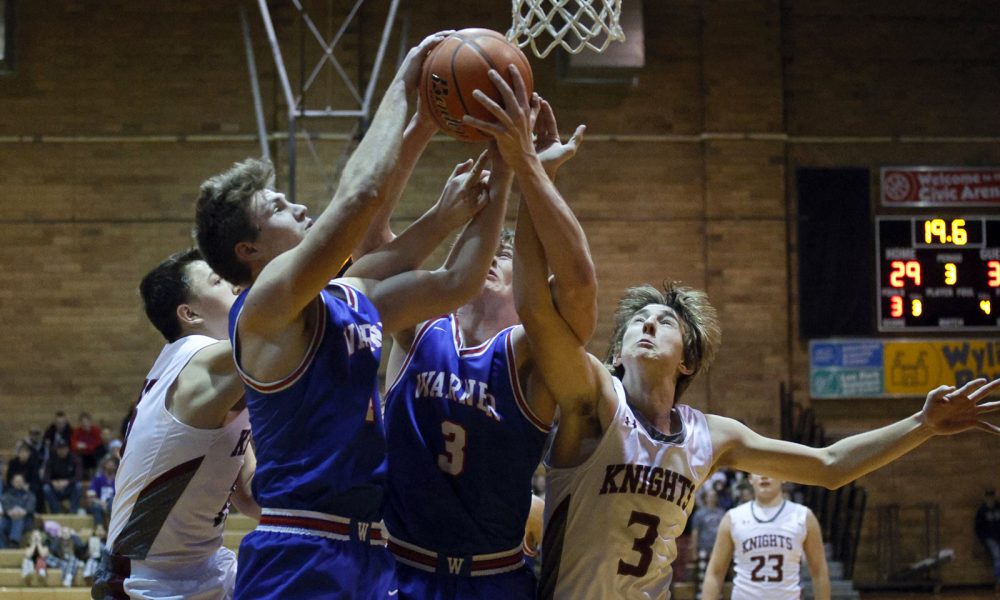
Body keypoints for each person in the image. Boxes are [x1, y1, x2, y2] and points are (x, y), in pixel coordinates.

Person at [193, 30, 521, 598]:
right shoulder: (265, 306)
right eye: (275, 206)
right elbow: (361, 195)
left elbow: (455, 280)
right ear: (248, 252)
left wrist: (504, 160)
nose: (297, 205)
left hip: (369, 550)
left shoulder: (344, 299)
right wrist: (405, 82)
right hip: (300, 550)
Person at [514, 263, 999, 595]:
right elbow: (538, 315)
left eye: (664, 322)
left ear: (687, 359)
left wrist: (923, 424)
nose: (647, 326)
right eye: (637, 322)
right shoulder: (596, 401)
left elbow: (829, 467)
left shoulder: (714, 436)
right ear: (617, 354)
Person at [381, 65, 591, 598]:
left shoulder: (529, 354)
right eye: (489, 252)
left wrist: (531, 173)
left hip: (493, 578)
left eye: (506, 255)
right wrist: (424, 133)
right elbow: (372, 254)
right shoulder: (418, 329)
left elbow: (576, 284)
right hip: (402, 569)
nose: (495, 255)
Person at [90, 248, 259, 600]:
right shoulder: (196, 357)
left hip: (202, 567)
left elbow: (251, 497)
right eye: (217, 280)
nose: (233, 284)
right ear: (190, 313)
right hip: (149, 582)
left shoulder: (217, 380)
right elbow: (277, 330)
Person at [701, 473, 830, 600]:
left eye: (770, 469)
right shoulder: (733, 517)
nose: (764, 475)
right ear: (750, 478)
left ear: (784, 476)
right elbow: (715, 572)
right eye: (758, 470)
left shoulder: (804, 516)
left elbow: (819, 571)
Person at [690, 488, 726, 575]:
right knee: (702, 575)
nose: (712, 498)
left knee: (718, 574)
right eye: (710, 496)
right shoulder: (699, 514)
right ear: (705, 498)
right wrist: (694, 551)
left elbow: (726, 532)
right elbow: (695, 532)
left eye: (714, 496)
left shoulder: (722, 513)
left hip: (719, 548)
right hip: (704, 548)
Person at [42, 439, 82, 514]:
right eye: (60, 449)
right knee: (46, 488)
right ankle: (57, 512)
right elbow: (45, 477)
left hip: (69, 487)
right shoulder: (51, 460)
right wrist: (53, 483)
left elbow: (78, 476)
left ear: (67, 449)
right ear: (57, 449)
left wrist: (67, 482)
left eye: (64, 448)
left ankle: (73, 511)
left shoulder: (75, 459)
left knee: (78, 486)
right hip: (55, 488)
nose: (62, 451)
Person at [0, 474, 37, 548]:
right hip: (9, 520)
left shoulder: (30, 495)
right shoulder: (6, 495)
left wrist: (22, 512)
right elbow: (5, 507)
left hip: (26, 521)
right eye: (16, 481)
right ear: (12, 482)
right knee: (2, 524)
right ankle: (4, 549)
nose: (19, 483)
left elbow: (31, 508)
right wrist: (11, 512)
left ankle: (14, 543)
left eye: (20, 481)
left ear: (24, 482)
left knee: (18, 519)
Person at [975, 487, 1000, 592]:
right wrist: (983, 539)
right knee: (997, 556)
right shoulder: (982, 510)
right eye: (988, 496)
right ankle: (998, 581)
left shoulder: (999, 507)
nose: (990, 498)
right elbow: (978, 527)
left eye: (992, 496)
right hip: (990, 538)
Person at [86, 456, 117, 527]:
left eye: (113, 464)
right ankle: (99, 529)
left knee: (112, 501)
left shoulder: (118, 479)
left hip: (112, 505)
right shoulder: (97, 478)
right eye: (109, 464)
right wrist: (102, 504)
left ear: (115, 467)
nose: (111, 466)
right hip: (99, 503)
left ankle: (112, 527)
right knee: (96, 507)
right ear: (105, 465)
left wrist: (108, 504)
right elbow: (90, 497)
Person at [72, 412, 106, 477]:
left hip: (94, 454)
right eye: (82, 422)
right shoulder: (77, 431)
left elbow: (97, 444)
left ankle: (96, 475)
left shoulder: (96, 430)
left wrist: (85, 446)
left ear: (90, 422)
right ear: (80, 423)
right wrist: (86, 447)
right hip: (82, 454)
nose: (84, 424)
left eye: (86, 422)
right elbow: (74, 445)